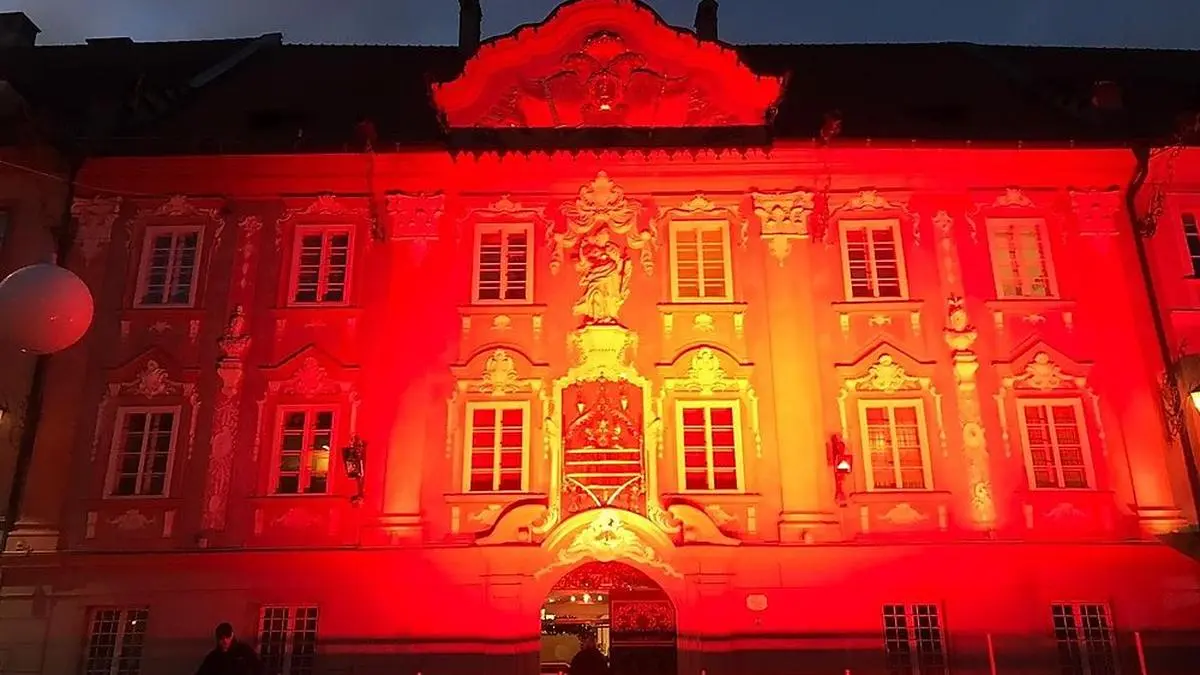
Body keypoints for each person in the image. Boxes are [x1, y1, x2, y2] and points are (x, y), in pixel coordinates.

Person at [195, 622, 263, 675]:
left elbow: (258, 667)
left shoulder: (244, 650)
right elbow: (202, 672)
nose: (225, 641)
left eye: (227, 636)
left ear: (232, 634)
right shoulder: (213, 657)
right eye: (221, 638)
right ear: (218, 639)